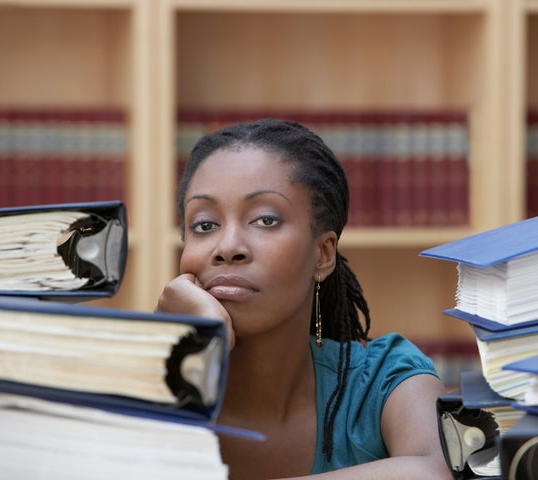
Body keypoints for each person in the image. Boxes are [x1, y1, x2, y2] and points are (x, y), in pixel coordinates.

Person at [155, 118, 453, 479]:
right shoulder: (128, 383)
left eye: (265, 220)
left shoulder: (383, 379)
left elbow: (436, 471)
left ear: (323, 254)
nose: (228, 247)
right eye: (205, 225)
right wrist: (172, 352)